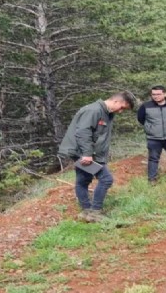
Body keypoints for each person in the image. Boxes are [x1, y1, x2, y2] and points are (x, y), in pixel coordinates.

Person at [58, 91, 135, 223]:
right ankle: (94, 212)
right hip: (81, 153)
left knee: (83, 181)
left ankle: (86, 212)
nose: (121, 111)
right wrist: (87, 154)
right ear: (116, 101)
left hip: (88, 153)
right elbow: (83, 133)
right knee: (106, 179)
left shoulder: (106, 113)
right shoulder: (94, 110)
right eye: (122, 107)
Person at [136, 85, 166, 185]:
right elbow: (141, 119)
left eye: (158, 94)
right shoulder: (146, 106)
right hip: (153, 138)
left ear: (165, 94)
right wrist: (150, 129)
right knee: (153, 158)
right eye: (153, 94)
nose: (155, 96)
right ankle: (152, 179)